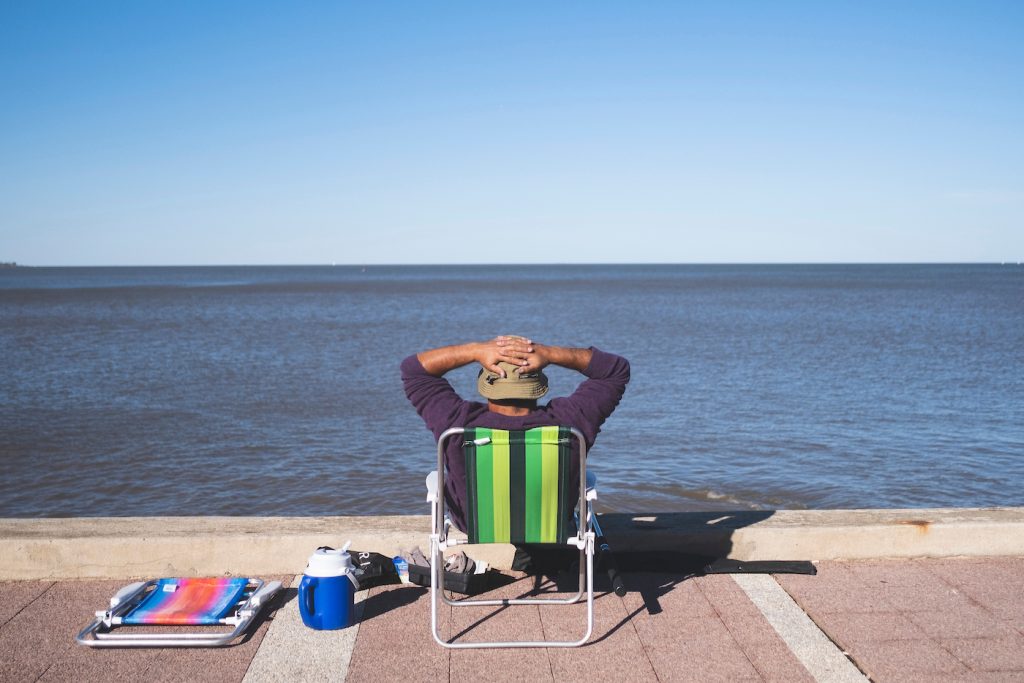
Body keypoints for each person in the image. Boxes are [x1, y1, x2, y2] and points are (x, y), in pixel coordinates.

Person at [401, 335, 630, 548]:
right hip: (553, 523)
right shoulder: (572, 421)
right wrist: (548, 353)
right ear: (537, 384)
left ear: (486, 384)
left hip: (473, 526)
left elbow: (414, 370)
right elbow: (615, 370)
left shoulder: (456, 422)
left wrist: (475, 350)